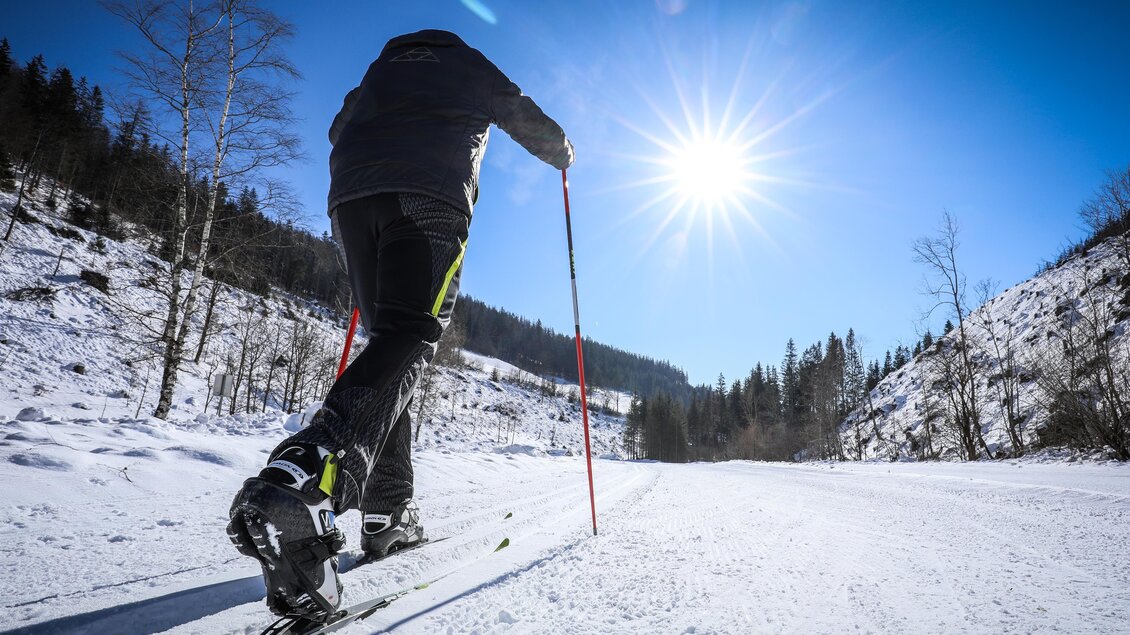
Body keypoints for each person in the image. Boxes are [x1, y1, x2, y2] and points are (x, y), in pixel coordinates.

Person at [226, 29, 574, 619]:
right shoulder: (465, 63)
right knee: (411, 336)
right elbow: (526, 118)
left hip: (351, 200)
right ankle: (305, 473)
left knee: (391, 352)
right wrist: (564, 152)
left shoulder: (377, 73)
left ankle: (388, 510)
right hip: (428, 199)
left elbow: (336, 129)